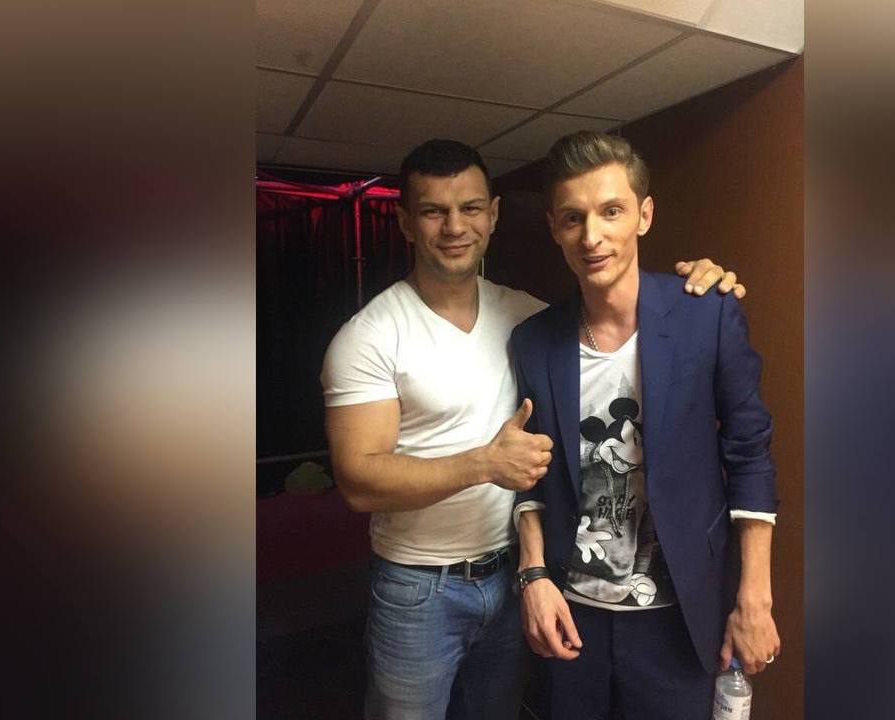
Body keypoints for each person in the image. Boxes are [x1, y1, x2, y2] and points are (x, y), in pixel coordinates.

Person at [320, 138, 748, 720]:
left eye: (470, 208)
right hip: (420, 588)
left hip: (515, 575)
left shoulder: (527, 317)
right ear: (404, 222)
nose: (455, 227)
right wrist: (483, 464)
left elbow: (612, 306)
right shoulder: (370, 335)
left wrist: (704, 281)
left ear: (493, 215)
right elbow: (357, 480)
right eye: (433, 211)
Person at [510, 131, 781, 720]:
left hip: (679, 614)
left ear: (644, 215)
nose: (592, 236)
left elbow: (749, 454)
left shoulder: (705, 313)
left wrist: (754, 597)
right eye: (573, 218)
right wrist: (533, 575)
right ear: (554, 228)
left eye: (611, 211)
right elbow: (529, 474)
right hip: (572, 613)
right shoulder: (533, 342)